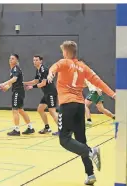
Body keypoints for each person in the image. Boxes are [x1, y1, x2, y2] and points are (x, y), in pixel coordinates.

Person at [47, 40, 116, 185]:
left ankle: (91, 151)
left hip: (67, 106)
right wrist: (113, 95)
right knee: (80, 141)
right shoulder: (83, 67)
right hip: (79, 106)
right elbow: (98, 81)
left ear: (66, 52)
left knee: (64, 140)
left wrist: (51, 73)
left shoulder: (64, 62)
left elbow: (55, 66)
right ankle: (90, 175)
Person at [0, 54, 34, 136]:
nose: (10, 60)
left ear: (17, 61)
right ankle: (30, 127)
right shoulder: (13, 69)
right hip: (19, 91)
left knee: (15, 110)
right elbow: (13, 82)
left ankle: (16, 130)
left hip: (18, 92)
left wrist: (4, 83)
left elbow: (14, 79)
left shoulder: (15, 68)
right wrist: (6, 87)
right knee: (21, 110)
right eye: (10, 58)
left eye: (13, 58)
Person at [24, 55, 59, 135]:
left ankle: (62, 130)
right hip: (46, 93)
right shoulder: (38, 70)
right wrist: (23, 83)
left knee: (52, 111)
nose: (34, 62)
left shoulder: (44, 70)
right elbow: (35, 81)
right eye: (34, 60)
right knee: (40, 109)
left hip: (51, 93)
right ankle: (47, 128)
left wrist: (31, 87)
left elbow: (43, 83)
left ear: (41, 61)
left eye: (36, 60)